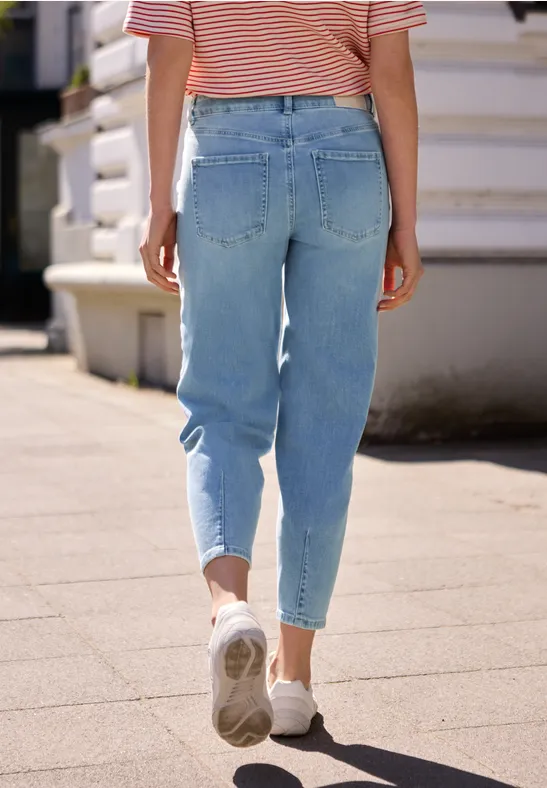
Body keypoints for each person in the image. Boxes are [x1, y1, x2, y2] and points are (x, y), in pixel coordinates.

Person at [124, 0, 426, 748]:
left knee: (222, 406)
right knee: (324, 418)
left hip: (226, 150)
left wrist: (157, 203)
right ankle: (291, 681)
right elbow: (391, 73)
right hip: (346, 155)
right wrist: (408, 223)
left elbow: (166, 59)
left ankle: (231, 610)